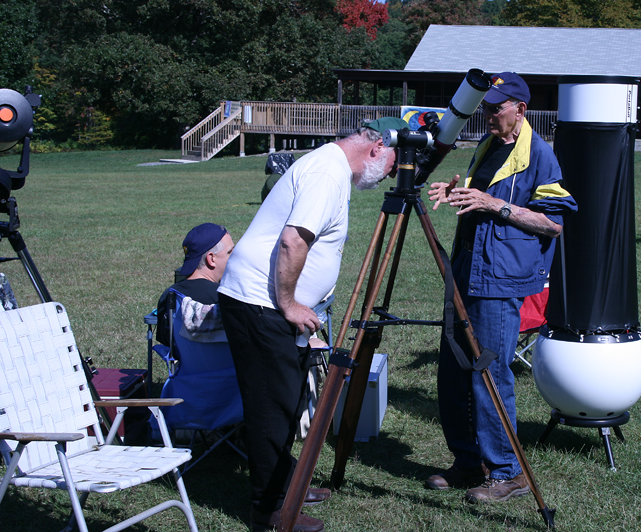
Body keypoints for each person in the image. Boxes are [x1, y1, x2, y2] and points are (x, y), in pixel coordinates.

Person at [216, 116, 408, 532]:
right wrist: (288, 303)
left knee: (285, 402)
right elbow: (293, 240)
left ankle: (287, 487)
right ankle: (270, 512)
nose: (391, 173)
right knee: (274, 409)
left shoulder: (331, 168)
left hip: (268, 303)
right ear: (376, 148)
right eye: (392, 163)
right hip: (261, 303)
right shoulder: (327, 173)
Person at [425, 72, 578, 503]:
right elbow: (479, 197)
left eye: (498, 107)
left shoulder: (539, 156)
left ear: (520, 110)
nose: (489, 114)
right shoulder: (489, 146)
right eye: (487, 106)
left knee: (489, 374)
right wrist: (458, 191)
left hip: (499, 279)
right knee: (453, 371)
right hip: (465, 271)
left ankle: (509, 472)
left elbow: (553, 224)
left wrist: (496, 204)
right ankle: (468, 461)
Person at [156, 223, 234, 346]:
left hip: (186, 365)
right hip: (229, 365)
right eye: (230, 252)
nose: (234, 257)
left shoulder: (169, 296)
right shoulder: (228, 298)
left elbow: (166, 342)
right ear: (211, 259)